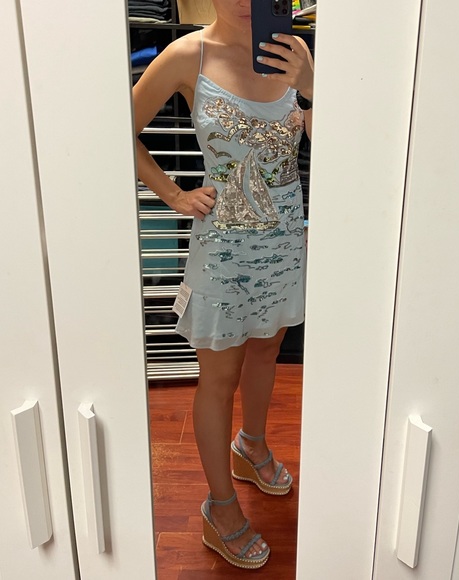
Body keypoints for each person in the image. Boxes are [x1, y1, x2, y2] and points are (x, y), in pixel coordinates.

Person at [132, 0, 314, 569]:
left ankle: (251, 446)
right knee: (219, 376)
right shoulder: (188, 54)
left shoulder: (296, 54)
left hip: (284, 243)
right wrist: (173, 194)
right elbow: (117, 129)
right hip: (222, 252)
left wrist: (311, 87)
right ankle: (220, 506)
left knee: (268, 350)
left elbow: (342, 150)